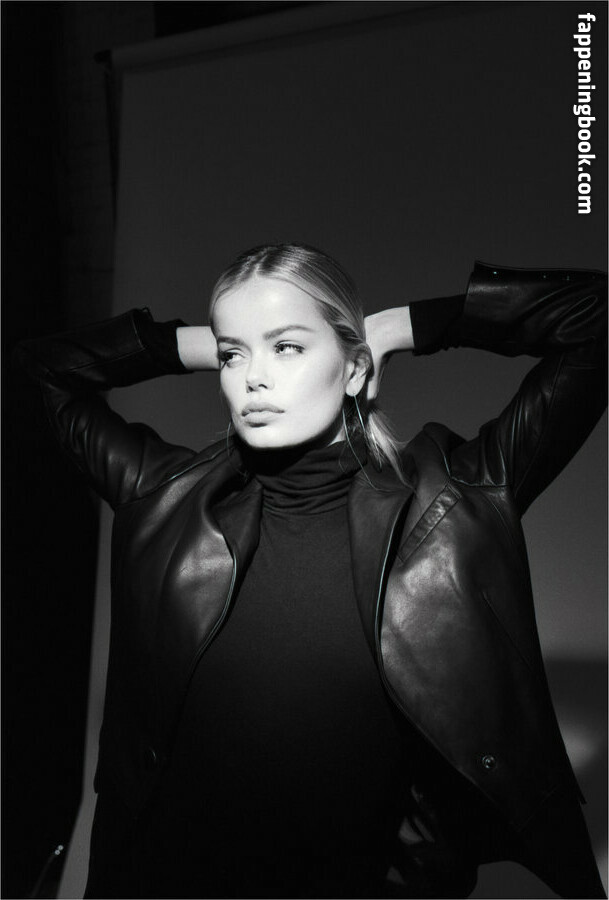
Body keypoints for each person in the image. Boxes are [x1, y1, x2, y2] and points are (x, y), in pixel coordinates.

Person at [14, 244, 606, 899]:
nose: (253, 378)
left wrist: (400, 326)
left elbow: (594, 321)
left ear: (354, 368)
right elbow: (42, 371)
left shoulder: (455, 498)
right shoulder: (162, 494)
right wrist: (201, 341)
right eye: (234, 356)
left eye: (287, 347)